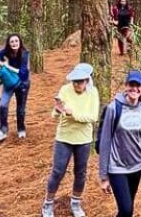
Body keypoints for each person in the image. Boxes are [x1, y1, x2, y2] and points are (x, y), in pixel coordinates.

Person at [41, 63, 100, 217]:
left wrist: (73, 114)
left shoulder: (93, 93)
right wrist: (57, 110)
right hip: (64, 137)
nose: (76, 85)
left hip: (83, 139)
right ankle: (48, 204)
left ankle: (76, 203)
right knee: (57, 171)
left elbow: (92, 117)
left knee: (80, 172)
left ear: (87, 81)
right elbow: (54, 114)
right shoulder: (65, 90)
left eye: (80, 82)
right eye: (74, 81)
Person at [98, 70, 141, 217]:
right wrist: (103, 176)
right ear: (126, 86)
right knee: (126, 209)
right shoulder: (114, 108)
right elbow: (105, 142)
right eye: (131, 85)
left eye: (138, 85)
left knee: (127, 212)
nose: (134, 89)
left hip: (136, 167)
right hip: (117, 167)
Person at [0, 33, 30, 141]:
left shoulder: (24, 53)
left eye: (16, 41)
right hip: (9, 83)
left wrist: (7, 66)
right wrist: (0, 63)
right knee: (3, 105)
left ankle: (21, 128)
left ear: (20, 42)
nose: (14, 43)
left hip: (22, 83)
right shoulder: (5, 52)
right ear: (9, 43)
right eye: (12, 41)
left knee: (20, 108)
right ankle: (2, 130)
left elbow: (23, 73)